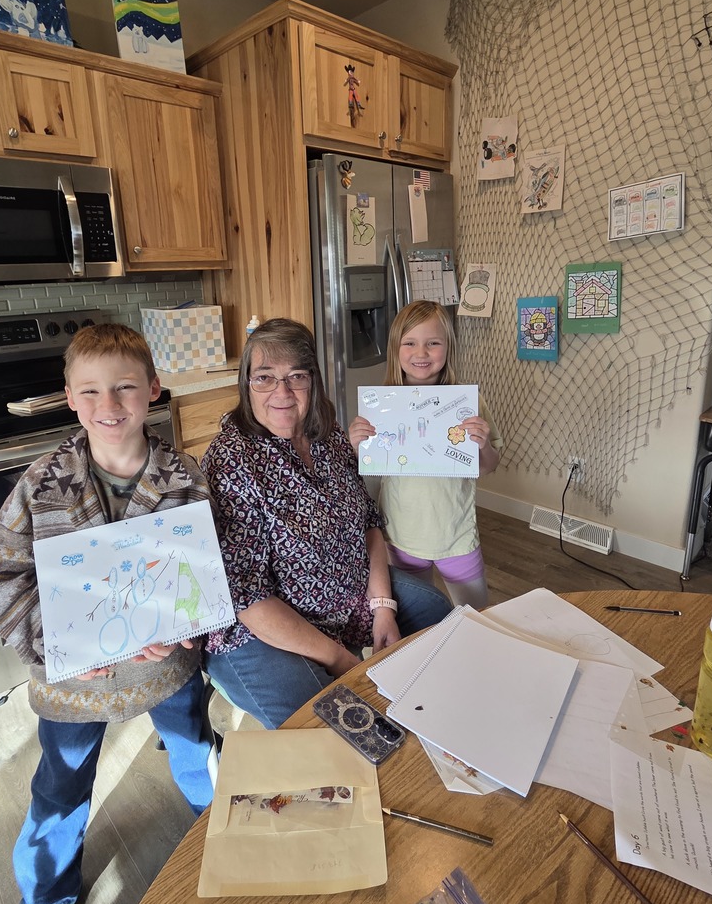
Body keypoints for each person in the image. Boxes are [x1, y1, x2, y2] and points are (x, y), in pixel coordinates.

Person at [0, 324, 214, 904]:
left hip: (164, 671)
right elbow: (0, 573)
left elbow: (203, 575)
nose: (108, 406)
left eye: (125, 388)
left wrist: (181, 627)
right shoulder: (40, 484)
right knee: (59, 790)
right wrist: (56, 646)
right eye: (90, 392)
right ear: (68, 396)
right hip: (76, 683)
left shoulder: (184, 479)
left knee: (197, 758)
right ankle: (49, 896)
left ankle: (226, 843)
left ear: (154, 389)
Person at [201, 317, 452, 729]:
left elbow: (368, 522)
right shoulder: (232, 460)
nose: (281, 392)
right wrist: (342, 660)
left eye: (296, 376)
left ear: (313, 381)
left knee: (434, 609)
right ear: (247, 385)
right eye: (264, 377)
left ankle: (428, 721)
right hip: (259, 630)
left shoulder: (329, 436)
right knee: (322, 714)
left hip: (345, 597)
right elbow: (245, 597)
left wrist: (383, 609)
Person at [349, 300, 503, 610]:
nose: (421, 353)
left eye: (433, 343)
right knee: (416, 619)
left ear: (448, 348)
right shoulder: (382, 405)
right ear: (396, 349)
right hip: (400, 536)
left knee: (475, 617)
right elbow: (367, 470)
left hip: (456, 536)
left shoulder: (469, 403)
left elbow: (488, 466)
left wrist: (483, 445)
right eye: (410, 343)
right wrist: (356, 446)